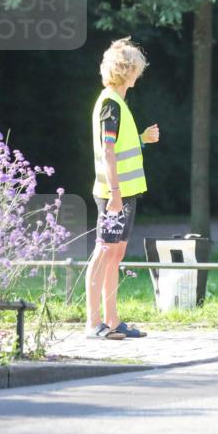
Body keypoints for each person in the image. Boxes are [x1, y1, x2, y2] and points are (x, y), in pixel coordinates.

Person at [85, 37, 159, 340]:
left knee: (115, 254)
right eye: (136, 69)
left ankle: (113, 321)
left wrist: (141, 138)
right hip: (113, 194)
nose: (139, 74)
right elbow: (108, 150)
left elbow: (120, 146)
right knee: (103, 252)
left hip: (124, 192)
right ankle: (93, 323)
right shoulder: (110, 105)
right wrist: (114, 195)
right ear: (127, 71)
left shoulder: (117, 103)